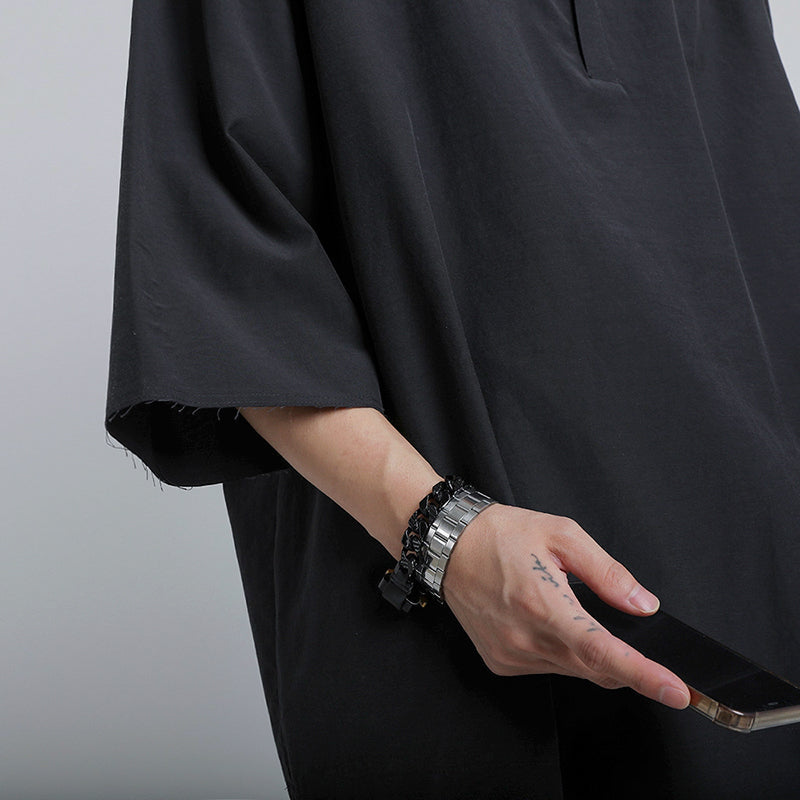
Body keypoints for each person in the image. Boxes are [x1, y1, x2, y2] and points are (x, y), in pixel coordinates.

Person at [104, 1, 800, 797]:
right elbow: (223, 266)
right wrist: (447, 539)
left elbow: (759, 195)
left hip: (758, 570)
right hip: (451, 598)